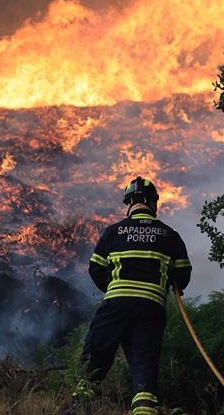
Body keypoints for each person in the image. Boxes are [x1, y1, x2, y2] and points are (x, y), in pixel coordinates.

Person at [77, 176, 192, 414]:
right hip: (151, 307)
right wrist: (171, 282)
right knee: (144, 360)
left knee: (97, 351)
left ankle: (79, 403)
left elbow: (96, 268)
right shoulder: (170, 235)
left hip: (116, 304)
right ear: (153, 203)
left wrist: (113, 287)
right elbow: (183, 274)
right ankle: (144, 409)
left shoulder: (113, 232)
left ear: (129, 203)